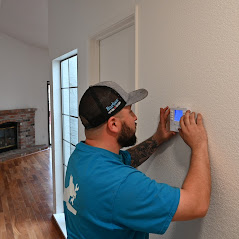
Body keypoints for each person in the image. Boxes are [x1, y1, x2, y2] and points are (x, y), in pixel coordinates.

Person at [63, 81, 211, 239]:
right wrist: (199, 145)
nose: (135, 117)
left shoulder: (81, 155)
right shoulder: (122, 185)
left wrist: (157, 139)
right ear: (113, 124)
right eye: (130, 111)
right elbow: (197, 204)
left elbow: (124, 160)